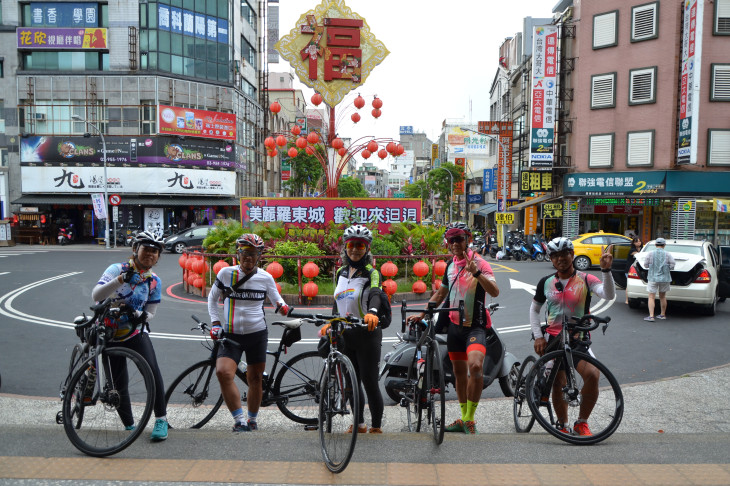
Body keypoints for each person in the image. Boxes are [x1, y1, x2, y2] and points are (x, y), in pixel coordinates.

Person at [407, 222, 499, 434]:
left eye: (459, 238)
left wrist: (476, 274)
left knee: (475, 367)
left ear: (468, 240)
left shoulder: (481, 264)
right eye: (451, 239)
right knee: (458, 374)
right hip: (455, 328)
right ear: (447, 244)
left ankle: (469, 418)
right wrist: (422, 313)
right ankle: (463, 418)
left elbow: (494, 291)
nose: (455, 243)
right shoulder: (450, 267)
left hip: (476, 327)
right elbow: (441, 294)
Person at [529, 237, 615, 436]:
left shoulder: (585, 279)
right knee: (557, 383)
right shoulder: (546, 282)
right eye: (555, 255)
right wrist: (537, 337)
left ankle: (581, 423)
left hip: (578, 338)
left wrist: (606, 271)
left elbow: (608, 295)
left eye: (565, 254)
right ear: (551, 259)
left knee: (593, 375)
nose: (561, 259)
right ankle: (562, 424)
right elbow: (534, 310)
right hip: (553, 339)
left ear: (572, 255)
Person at [90, 230, 169, 441]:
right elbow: (96, 295)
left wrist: (139, 315)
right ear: (135, 250)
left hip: (135, 332)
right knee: (119, 381)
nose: (150, 255)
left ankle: (161, 419)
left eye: (155, 252)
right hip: (109, 332)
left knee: (152, 372)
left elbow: (151, 313)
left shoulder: (154, 281)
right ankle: (129, 426)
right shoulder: (116, 269)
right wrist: (119, 280)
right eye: (146, 250)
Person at [207, 234, 290, 432]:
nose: (249, 258)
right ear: (238, 253)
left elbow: (277, 300)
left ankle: (252, 420)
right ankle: (239, 420)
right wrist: (215, 323)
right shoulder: (226, 274)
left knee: (255, 379)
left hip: (257, 334)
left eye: (253, 254)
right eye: (245, 253)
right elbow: (212, 299)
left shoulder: (265, 277)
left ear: (259, 255)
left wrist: (284, 307)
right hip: (230, 334)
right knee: (223, 372)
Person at [319, 224, 385, 434]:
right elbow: (338, 300)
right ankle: (358, 423)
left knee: (369, 380)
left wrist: (372, 311)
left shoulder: (371, 272)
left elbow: (375, 293)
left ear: (366, 248)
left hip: (367, 331)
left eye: (360, 245)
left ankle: (375, 426)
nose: (355, 249)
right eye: (351, 245)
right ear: (345, 247)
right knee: (349, 381)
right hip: (345, 333)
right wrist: (332, 321)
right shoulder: (340, 272)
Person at [644, 237, 675, 322]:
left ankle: (651, 316)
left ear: (655, 245)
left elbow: (645, 265)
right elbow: (672, 265)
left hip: (652, 277)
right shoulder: (668, 254)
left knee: (651, 296)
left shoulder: (650, 253)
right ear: (664, 245)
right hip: (665, 278)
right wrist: (666, 268)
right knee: (663, 296)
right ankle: (662, 314)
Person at [625, 237, 643, 304]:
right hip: (629, 270)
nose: (638, 243)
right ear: (633, 243)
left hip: (638, 270)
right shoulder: (632, 250)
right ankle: (627, 300)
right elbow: (638, 255)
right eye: (636, 242)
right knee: (628, 286)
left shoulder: (642, 249)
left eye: (639, 241)